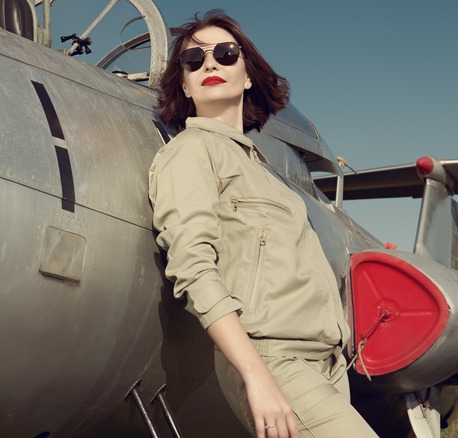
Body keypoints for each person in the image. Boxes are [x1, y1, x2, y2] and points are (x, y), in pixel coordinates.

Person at [148, 10, 378, 438]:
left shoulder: (262, 169)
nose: (210, 64)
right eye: (193, 61)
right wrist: (255, 374)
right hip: (274, 360)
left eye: (225, 53)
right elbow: (194, 268)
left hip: (324, 368)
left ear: (248, 75)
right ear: (184, 83)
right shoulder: (192, 152)